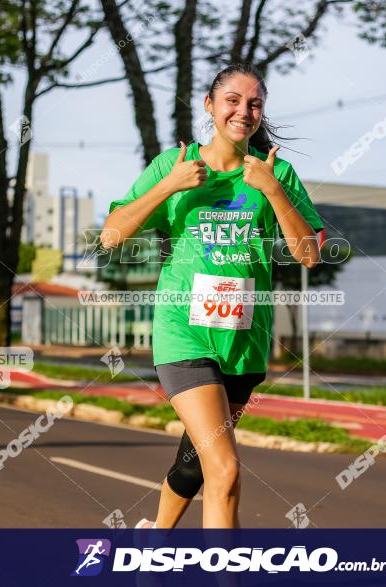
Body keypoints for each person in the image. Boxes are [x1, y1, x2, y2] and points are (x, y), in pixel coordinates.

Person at [102, 63, 323, 529]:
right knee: (224, 469)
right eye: (233, 100)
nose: (244, 111)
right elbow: (111, 236)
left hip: (242, 341)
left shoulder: (274, 172)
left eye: (254, 103)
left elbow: (309, 255)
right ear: (210, 105)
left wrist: (274, 192)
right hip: (184, 334)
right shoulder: (175, 165)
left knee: (196, 464)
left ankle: (154, 543)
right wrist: (170, 185)